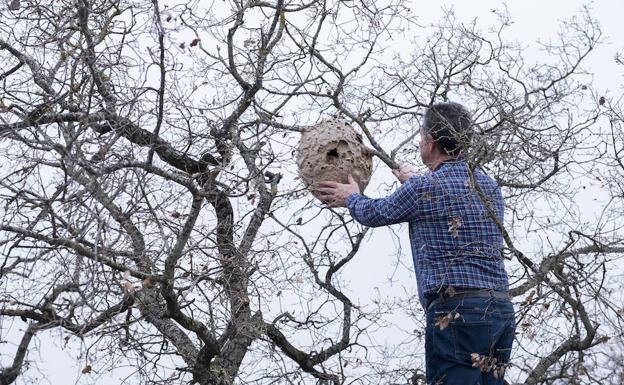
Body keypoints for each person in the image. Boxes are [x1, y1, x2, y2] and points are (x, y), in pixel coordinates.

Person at [316, 102, 516, 385]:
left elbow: (375, 212)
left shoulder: (424, 189)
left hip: (456, 314)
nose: (420, 141)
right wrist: (416, 182)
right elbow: (450, 199)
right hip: (499, 311)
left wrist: (351, 197)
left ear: (431, 141)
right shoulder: (488, 186)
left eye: (421, 136)